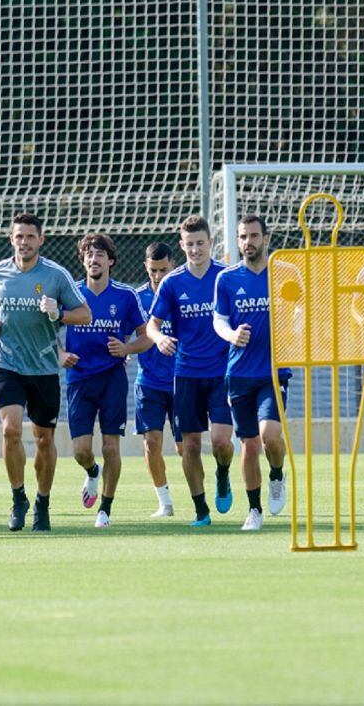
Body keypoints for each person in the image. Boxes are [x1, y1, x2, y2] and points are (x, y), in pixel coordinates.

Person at [0, 213, 91, 532]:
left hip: (43, 368)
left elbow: (85, 314)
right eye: (19, 236)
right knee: (10, 430)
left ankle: (42, 503)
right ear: (11, 239)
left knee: (44, 439)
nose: (24, 242)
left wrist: (59, 313)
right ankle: (18, 499)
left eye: (30, 236)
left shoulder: (56, 275)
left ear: (41, 239)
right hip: (7, 365)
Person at [147, 215, 234, 527]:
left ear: (211, 242)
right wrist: (159, 339)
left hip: (222, 373)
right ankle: (201, 510)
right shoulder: (172, 283)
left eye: (200, 243)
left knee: (221, 442)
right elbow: (152, 325)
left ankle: (222, 473)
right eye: (189, 244)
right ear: (182, 246)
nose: (195, 249)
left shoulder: (226, 277)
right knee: (190, 445)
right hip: (186, 374)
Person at [59, 234, 151, 528]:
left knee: (111, 447)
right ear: (83, 260)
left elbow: (147, 336)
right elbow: (46, 329)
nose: (93, 259)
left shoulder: (125, 296)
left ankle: (105, 510)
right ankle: (92, 471)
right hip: (79, 379)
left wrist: (126, 349)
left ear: (110, 260)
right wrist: (60, 353)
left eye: (99, 254)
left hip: (112, 378)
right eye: (88, 254)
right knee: (81, 451)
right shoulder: (71, 292)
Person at [213, 215, 289, 531]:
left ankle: (277, 474)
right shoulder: (227, 279)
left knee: (270, 436)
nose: (248, 242)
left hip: (273, 372)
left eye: (254, 236)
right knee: (249, 444)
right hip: (240, 373)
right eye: (243, 236)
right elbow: (219, 320)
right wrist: (232, 335)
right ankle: (254, 510)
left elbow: (300, 309)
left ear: (266, 238)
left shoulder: (284, 273)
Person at [134, 242, 179, 517]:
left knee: (185, 447)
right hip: (149, 381)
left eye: (163, 270)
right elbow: (125, 330)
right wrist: (125, 350)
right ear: (146, 268)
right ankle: (164, 502)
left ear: (173, 265)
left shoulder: (182, 291)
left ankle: (203, 494)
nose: (158, 276)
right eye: (153, 270)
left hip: (182, 380)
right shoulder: (138, 297)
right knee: (151, 442)